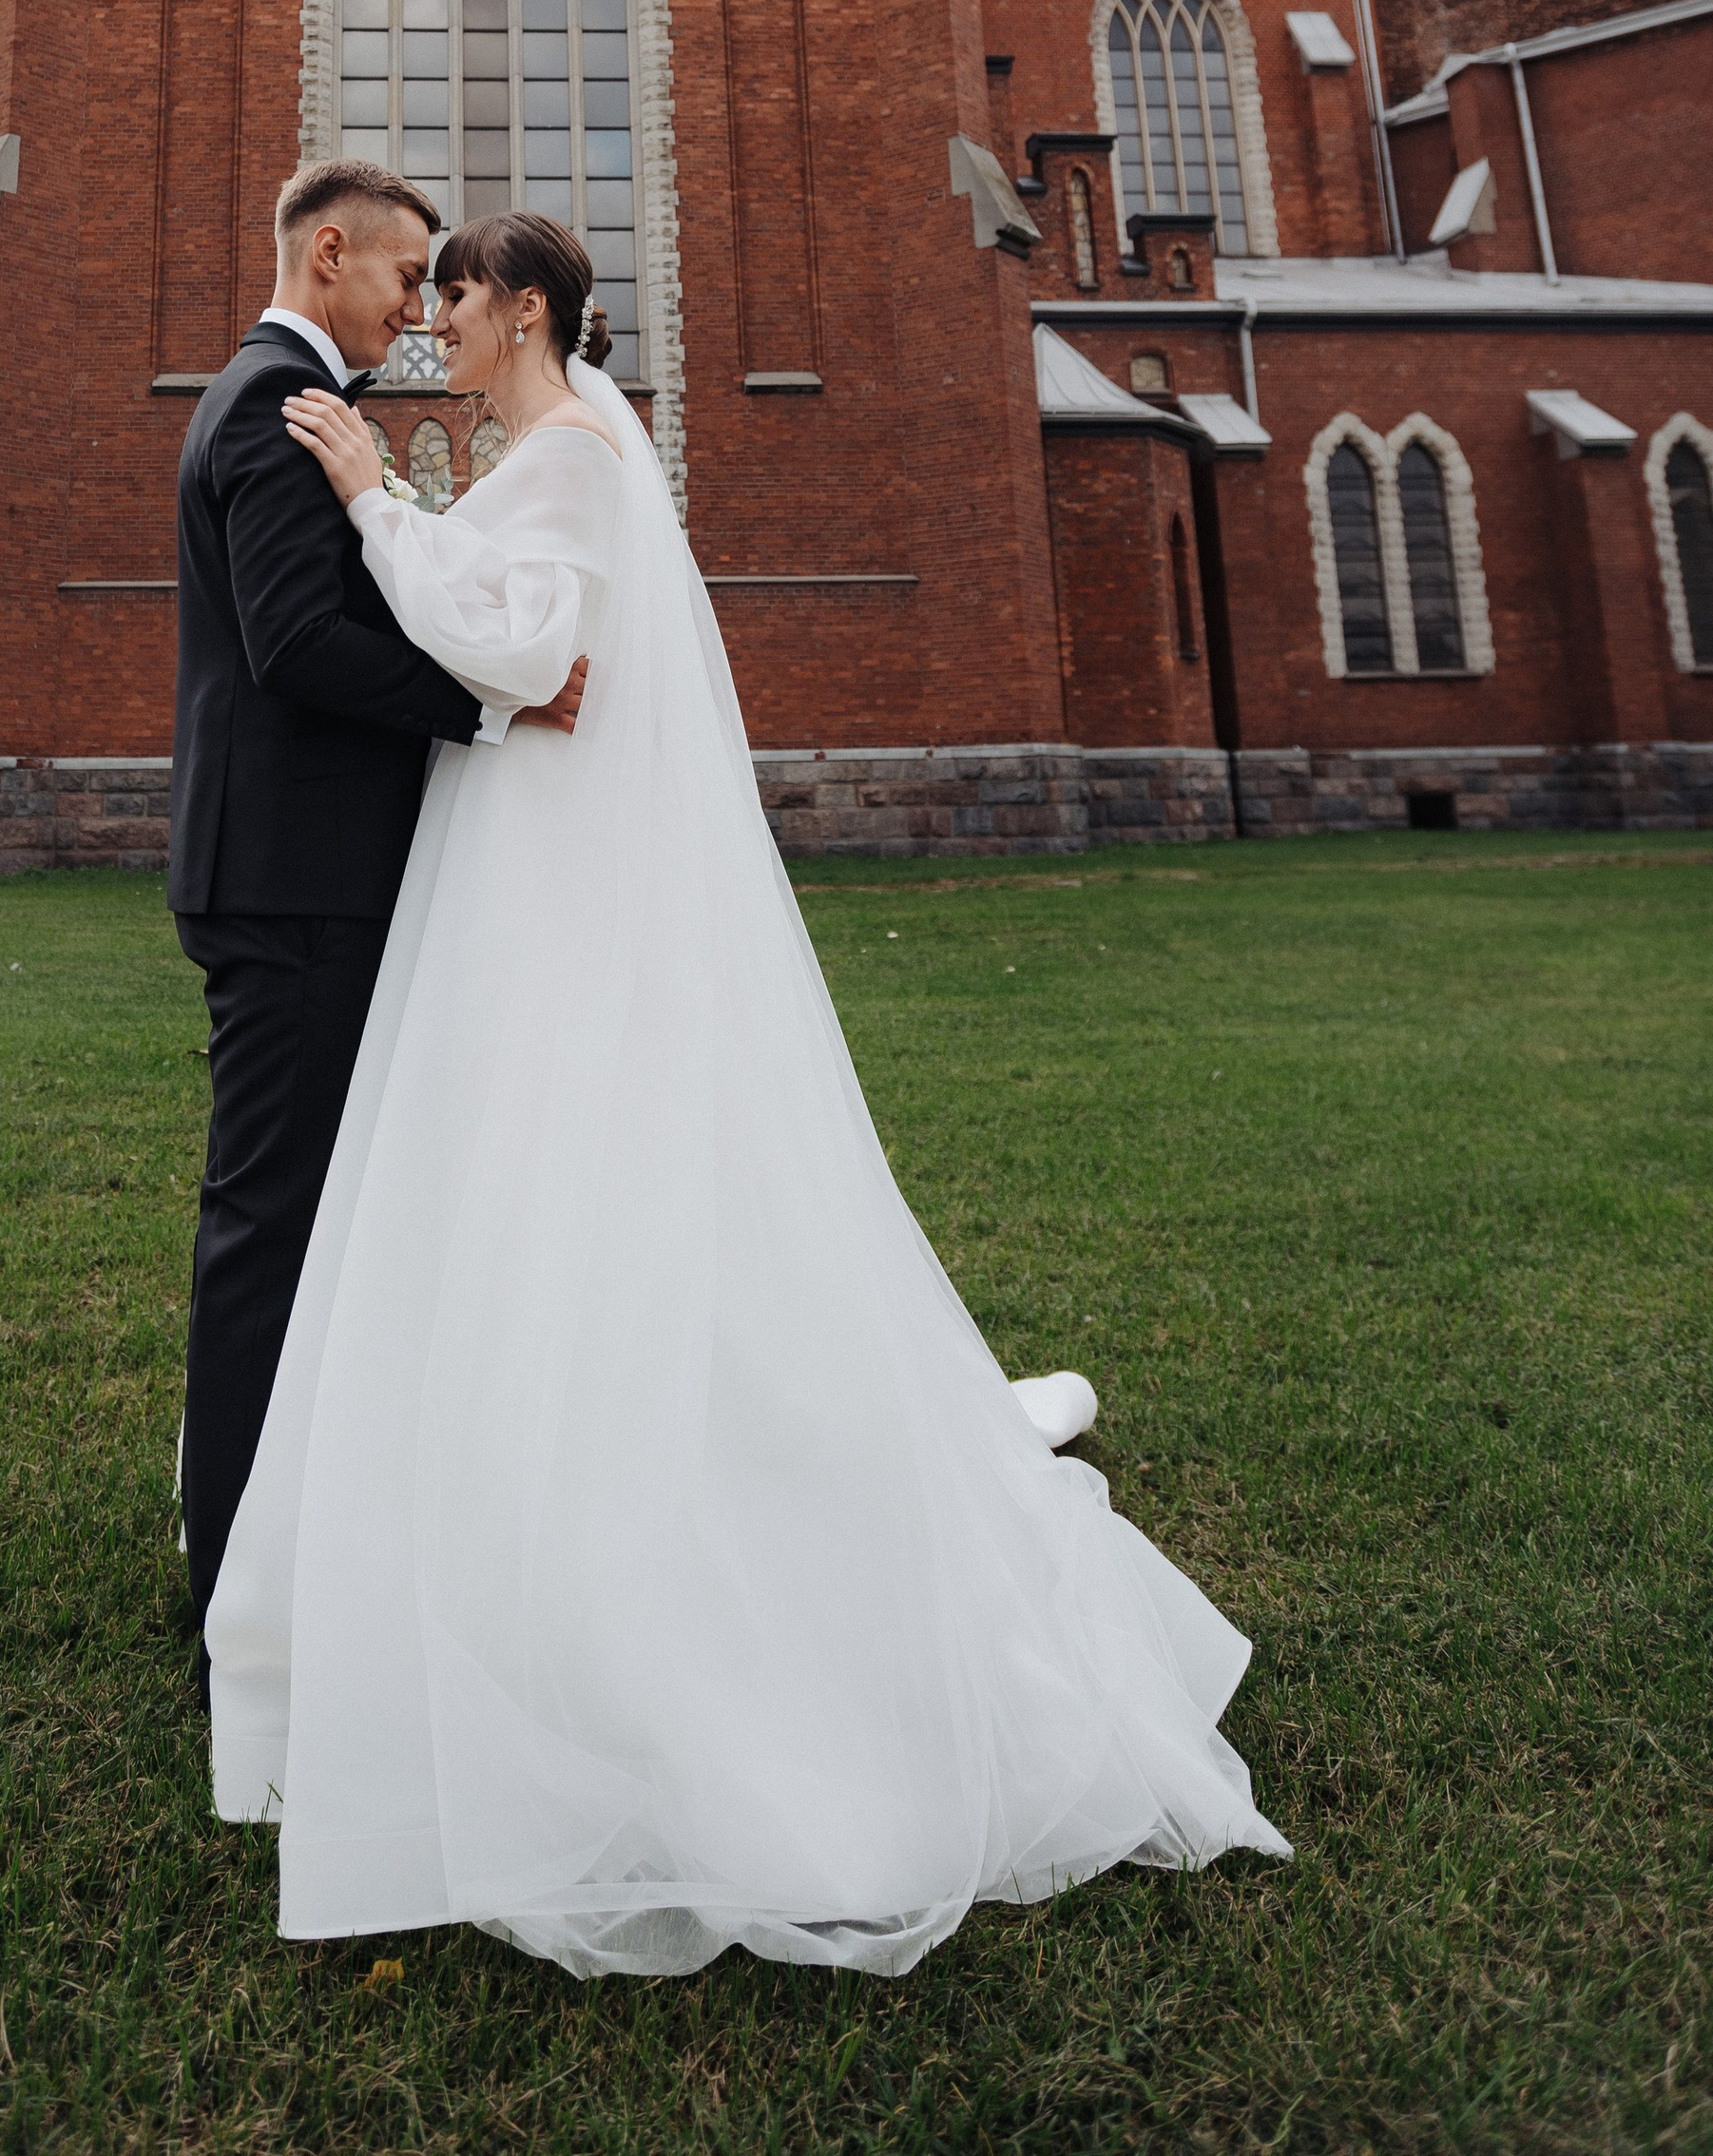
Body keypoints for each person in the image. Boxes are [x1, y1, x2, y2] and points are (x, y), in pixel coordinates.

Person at [203, 207, 1289, 1979]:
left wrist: (373, 502)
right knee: (524, 1166)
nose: (433, 328)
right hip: (525, 843)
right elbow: (519, 632)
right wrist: (398, 507)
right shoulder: (571, 447)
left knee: (553, 1154)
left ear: (524, 310)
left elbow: (517, 648)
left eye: (453, 298)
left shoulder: (571, 451)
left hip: (544, 862)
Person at [170, 162, 586, 1679]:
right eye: (407, 277)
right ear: (328, 253)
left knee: (298, 1219)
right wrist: (492, 703)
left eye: (437, 289)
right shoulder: (277, 408)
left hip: (296, 872)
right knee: (268, 1229)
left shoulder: (289, 401)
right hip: (293, 882)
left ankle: (282, 1532)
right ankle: (234, 1586)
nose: (418, 309)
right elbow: (295, 642)